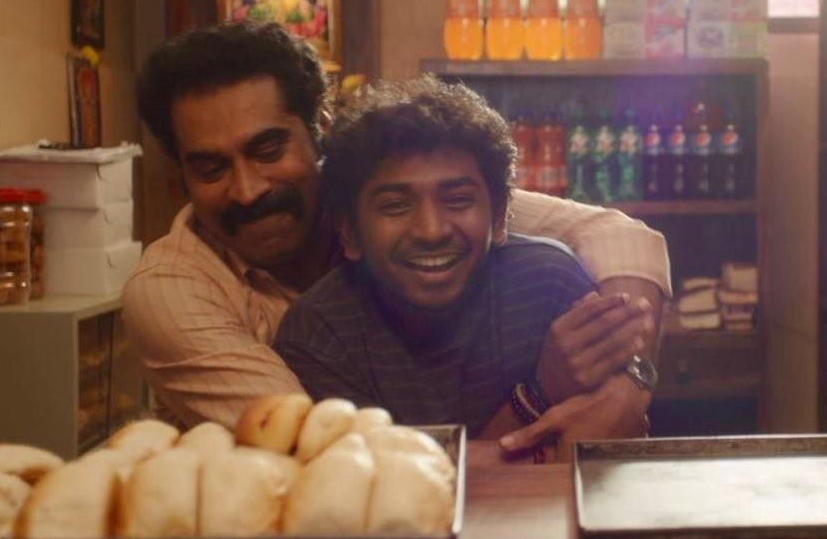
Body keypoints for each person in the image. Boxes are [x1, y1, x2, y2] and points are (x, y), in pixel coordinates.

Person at [122, 22, 668, 455]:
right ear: (180, 177)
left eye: (268, 151)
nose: (247, 190)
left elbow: (615, 236)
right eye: (211, 168)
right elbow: (332, 460)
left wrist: (628, 382)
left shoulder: (403, 197)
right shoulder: (173, 292)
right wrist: (539, 396)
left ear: (320, 130)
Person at [273, 78, 650, 451]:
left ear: (499, 216)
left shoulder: (549, 283)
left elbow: (601, 446)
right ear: (349, 232)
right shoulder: (320, 334)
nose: (431, 230)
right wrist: (537, 394)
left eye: (457, 200)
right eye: (395, 206)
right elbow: (393, 484)